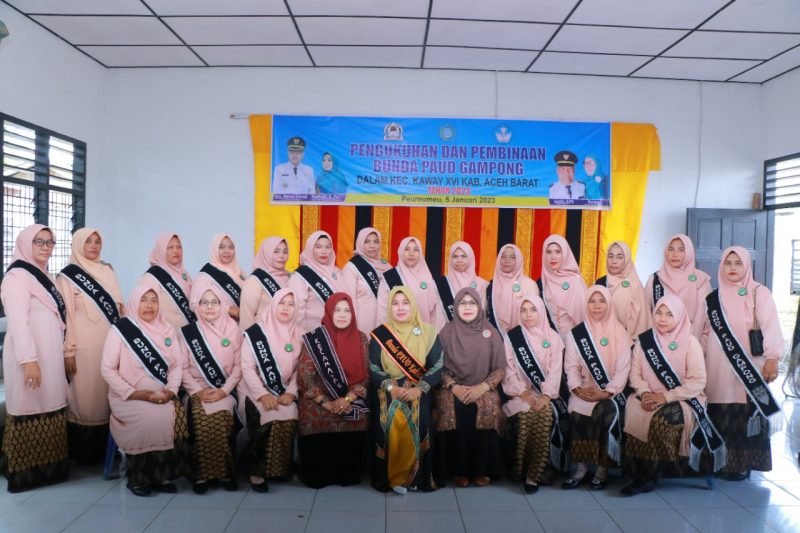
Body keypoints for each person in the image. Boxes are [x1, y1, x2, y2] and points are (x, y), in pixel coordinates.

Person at [622, 295, 723, 496]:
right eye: (659, 312)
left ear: (679, 316)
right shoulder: (644, 341)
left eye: (669, 314)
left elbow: (697, 381)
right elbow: (635, 375)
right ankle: (638, 472)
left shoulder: (690, 342)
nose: (662, 318)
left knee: (661, 420)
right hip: (647, 396)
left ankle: (648, 477)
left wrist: (666, 397)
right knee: (635, 412)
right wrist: (645, 393)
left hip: (683, 398)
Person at [101, 280, 190, 497]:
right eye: (144, 300)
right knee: (149, 417)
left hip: (161, 395)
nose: (149, 305)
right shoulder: (121, 330)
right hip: (128, 397)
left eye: (154, 301)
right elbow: (108, 369)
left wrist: (171, 391)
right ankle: (139, 478)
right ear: (134, 302)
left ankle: (162, 475)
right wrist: (134, 393)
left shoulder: (168, 330)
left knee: (176, 415)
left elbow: (177, 365)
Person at [703, 246, 783, 480]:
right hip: (717, 365)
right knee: (721, 409)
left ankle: (743, 464)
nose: (732, 268)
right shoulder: (713, 297)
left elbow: (771, 327)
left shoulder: (760, 292)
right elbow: (706, 332)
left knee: (746, 411)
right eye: (728, 263)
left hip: (750, 365)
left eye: (738, 263)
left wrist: (772, 358)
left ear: (747, 265)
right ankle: (721, 462)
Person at [1, 224, 69, 492]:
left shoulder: (45, 275)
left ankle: (50, 471)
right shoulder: (16, 277)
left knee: (51, 402)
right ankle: (24, 474)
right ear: (25, 243)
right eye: (39, 242)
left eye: (50, 242)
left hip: (50, 354)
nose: (45, 247)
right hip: (28, 357)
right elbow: (19, 322)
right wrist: (29, 360)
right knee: (28, 405)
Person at [57, 228, 125, 465]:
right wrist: (68, 350)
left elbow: (120, 308)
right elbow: (66, 318)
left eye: (97, 241)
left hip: (110, 344)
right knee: (84, 400)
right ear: (78, 245)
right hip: (82, 348)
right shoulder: (67, 276)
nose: (94, 246)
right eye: (88, 242)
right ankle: (82, 453)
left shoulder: (107, 270)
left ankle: (106, 451)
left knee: (106, 396)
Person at [369, 287, 443, 493]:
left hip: (419, 387)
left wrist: (420, 389)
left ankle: (417, 477)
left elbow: (437, 366)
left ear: (413, 306)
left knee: (422, 416)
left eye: (405, 303)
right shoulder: (380, 335)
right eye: (395, 303)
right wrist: (390, 387)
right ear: (389, 307)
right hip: (388, 386)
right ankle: (391, 477)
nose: (400, 308)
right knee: (386, 416)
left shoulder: (429, 332)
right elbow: (374, 367)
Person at [434, 288, 505, 487]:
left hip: (483, 386)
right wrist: (454, 386)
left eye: (472, 303)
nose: (467, 307)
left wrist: (482, 387)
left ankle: (482, 469)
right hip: (452, 387)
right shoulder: (446, 332)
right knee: (452, 408)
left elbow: (500, 369)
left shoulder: (490, 332)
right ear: (455, 307)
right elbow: (436, 366)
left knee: (487, 406)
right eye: (462, 303)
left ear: (479, 307)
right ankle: (459, 470)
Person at [297, 293, 369, 488]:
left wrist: (348, 399)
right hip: (319, 398)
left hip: (349, 397)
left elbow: (365, 377)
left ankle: (347, 473)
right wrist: (326, 402)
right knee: (312, 415)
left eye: (347, 310)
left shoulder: (361, 338)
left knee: (359, 414)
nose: (342, 315)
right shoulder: (315, 339)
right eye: (337, 310)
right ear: (329, 312)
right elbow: (305, 376)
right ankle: (318, 473)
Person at [563, 286, 631, 491]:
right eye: (592, 301)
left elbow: (623, 369)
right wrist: (577, 389)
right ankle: (581, 469)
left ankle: (602, 471)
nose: (597, 306)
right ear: (586, 305)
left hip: (611, 392)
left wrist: (606, 392)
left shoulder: (620, 332)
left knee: (607, 413)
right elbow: (571, 367)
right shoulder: (577, 334)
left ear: (609, 304)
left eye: (602, 301)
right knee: (576, 413)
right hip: (584, 390)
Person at [180, 277, 242, 494]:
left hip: (225, 389)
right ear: (197, 305)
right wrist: (198, 391)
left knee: (222, 416)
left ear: (223, 304)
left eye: (214, 302)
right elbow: (182, 368)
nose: (209, 307)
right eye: (204, 302)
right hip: (196, 390)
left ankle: (225, 473)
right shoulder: (188, 332)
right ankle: (201, 475)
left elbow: (239, 366)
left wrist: (224, 391)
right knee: (199, 415)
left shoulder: (234, 329)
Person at [238, 288, 301, 493]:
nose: (286, 308)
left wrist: (291, 392)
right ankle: (255, 471)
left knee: (290, 413)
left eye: (291, 304)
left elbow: (300, 369)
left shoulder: (300, 334)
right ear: (273, 305)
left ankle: (277, 469)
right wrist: (263, 395)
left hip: (284, 392)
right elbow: (247, 368)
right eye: (282, 303)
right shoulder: (256, 333)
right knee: (268, 416)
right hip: (254, 391)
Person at [502, 293, 566, 493]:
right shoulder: (512, 337)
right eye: (523, 310)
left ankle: (533, 475)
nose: (528, 314)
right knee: (526, 413)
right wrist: (523, 393)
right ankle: (520, 470)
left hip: (547, 394)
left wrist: (546, 395)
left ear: (541, 311)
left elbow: (555, 372)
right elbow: (509, 371)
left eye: (533, 310)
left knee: (544, 413)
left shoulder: (554, 338)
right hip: (518, 395)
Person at [645, 234, 711, 339]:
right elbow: (646, 312)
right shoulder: (655, 279)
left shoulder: (700, 280)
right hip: (658, 340)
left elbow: (701, 317)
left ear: (689, 252)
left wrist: (689, 342)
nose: (675, 254)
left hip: (691, 338)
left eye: (681, 250)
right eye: (671, 249)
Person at [377, 237, 445, 330]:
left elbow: (435, 311)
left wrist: (434, 333)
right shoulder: (389, 278)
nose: (411, 253)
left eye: (416, 250)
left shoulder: (427, 277)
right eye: (407, 249)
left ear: (420, 253)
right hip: (397, 333)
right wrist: (385, 335)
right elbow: (382, 312)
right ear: (401, 251)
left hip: (424, 331)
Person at [288, 231, 347, 333]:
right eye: (318, 247)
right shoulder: (301, 276)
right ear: (310, 249)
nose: (324, 251)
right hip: (314, 336)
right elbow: (296, 311)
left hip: (338, 333)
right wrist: (300, 336)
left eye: (328, 247)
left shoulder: (337, 272)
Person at [596, 241, 650, 341]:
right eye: (610, 256)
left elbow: (642, 321)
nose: (614, 261)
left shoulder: (635, 285)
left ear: (627, 260)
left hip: (627, 341)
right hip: (602, 338)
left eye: (619, 257)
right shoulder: (600, 282)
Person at [342, 227, 392, 334]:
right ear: (360, 243)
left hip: (385, 321)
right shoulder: (351, 267)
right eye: (367, 241)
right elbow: (348, 301)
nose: (372, 245)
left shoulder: (386, 266)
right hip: (362, 324)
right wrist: (352, 330)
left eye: (376, 241)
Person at [538, 235, 587, 340]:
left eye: (558, 252)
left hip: (575, 341)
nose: (553, 257)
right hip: (549, 342)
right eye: (549, 252)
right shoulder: (541, 282)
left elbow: (582, 317)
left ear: (565, 254)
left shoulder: (575, 281)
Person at [144, 232, 195, 328]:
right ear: (161, 251)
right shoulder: (151, 277)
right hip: (165, 333)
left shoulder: (185, 274)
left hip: (189, 333)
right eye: (170, 247)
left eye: (179, 247)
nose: (175, 251)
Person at [240, 236, 290, 330]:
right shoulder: (255, 281)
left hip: (287, 336)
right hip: (263, 336)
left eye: (285, 252)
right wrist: (252, 338)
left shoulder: (290, 278)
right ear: (266, 253)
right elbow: (246, 318)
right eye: (276, 251)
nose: (282, 256)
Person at [486, 243, 538, 332]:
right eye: (503, 257)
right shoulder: (490, 285)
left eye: (512, 257)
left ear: (519, 260)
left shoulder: (529, 284)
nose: (507, 260)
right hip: (494, 334)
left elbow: (534, 313)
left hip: (521, 334)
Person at [197, 234, 247, 322]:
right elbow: (194, 304)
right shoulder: (206, 274)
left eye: (231, 247)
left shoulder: (240, 273)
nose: (227, 251)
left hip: (239, 326)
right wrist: (228, 309)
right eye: (221, 247)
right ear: (215, 249)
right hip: (216, 326)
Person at [436, 241, 489, 324]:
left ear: (470, 258)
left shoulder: (483, 284)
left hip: (475, 330)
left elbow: (484, 315)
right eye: (455, 256)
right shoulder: (440, 284)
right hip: (447, 330)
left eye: (463, 256)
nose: (459, 260)